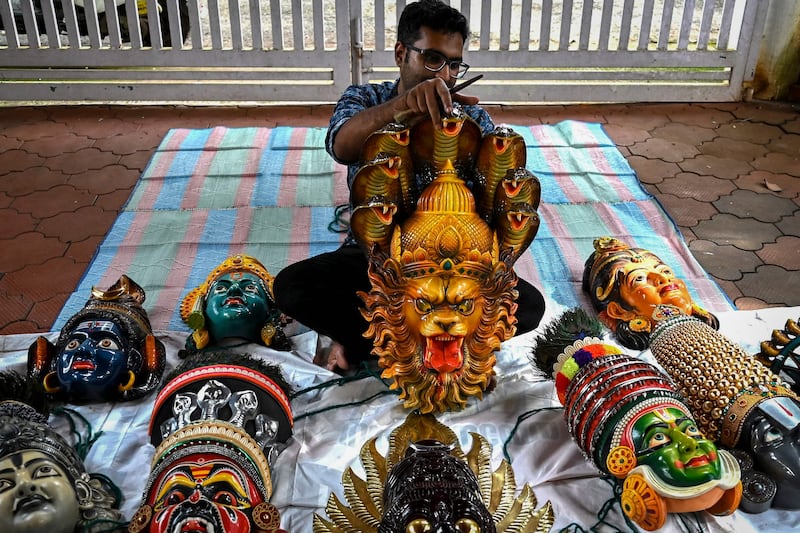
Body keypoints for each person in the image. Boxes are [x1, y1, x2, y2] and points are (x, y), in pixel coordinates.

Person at [273, 0, 545, 371]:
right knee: (293, 288)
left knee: (528, 307)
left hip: (454, 265)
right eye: (432, 59)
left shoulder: (473, 117)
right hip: (375, 261)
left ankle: (374, 342)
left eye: (453, 63)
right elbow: (341, 145)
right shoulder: (366, 99)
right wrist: (403, 109)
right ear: (402, 53)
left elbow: (494, 200)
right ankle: (431, 348)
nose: (445, 75)